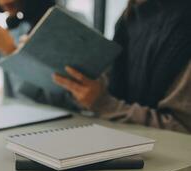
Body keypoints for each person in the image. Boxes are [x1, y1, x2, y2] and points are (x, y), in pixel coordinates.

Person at [53, 0, 191, 134]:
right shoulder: (128, 18)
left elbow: (182, 127)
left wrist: (102, 103)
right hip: (121, 139)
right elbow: (111, 89)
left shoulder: (183, 24)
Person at [0, 0, 81, 110]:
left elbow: (53, 98)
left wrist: (11, 51)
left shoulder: (69, 24)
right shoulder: (17, 28)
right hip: (15, 125)